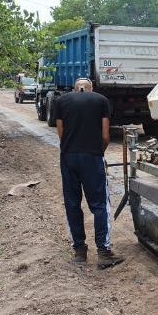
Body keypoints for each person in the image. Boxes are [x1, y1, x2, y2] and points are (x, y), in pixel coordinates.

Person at [55, 78, 124, 269]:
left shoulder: (61, 101)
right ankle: (103, 252)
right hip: (92, 157)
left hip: (68, 157)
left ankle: (79, 252)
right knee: (100, 204)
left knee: (72, 203)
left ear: (75, 88)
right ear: (90, 88)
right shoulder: (100, 100)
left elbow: (60, 133)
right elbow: (105, 135)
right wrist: (99, 151)